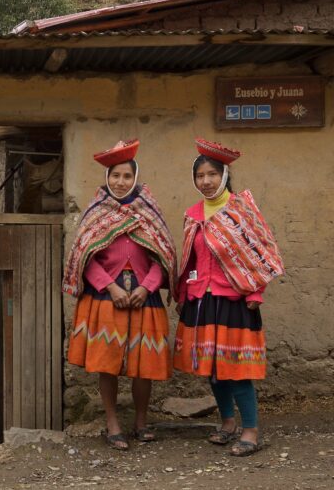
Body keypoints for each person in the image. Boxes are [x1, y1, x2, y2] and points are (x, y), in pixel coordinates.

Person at [63, 139, 177, 451]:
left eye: (127, 176)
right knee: (107, 363)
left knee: (144, 365)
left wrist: (146, 287)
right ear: (107, 178)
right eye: (115, 176)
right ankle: (113, 423)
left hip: (144, 296)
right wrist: (110, 286)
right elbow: (84, 257)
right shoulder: (96, 212)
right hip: (105, 296)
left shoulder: (149, 211)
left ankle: (141, 421)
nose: (121, 182)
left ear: (135, 178)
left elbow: (164, 256)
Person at [173, 138, 284, 456]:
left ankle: (250, 430)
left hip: (235, 300)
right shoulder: (193, 214)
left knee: (236, 369)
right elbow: (189, 259)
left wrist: (256, 291)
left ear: (223, 175)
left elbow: (261, 254)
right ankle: (227, 423)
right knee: (211, 368)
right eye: (200, 176)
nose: (205, 181)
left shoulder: (241, 211)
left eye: (211, 174)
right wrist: (184, 293)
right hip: (202, 301)